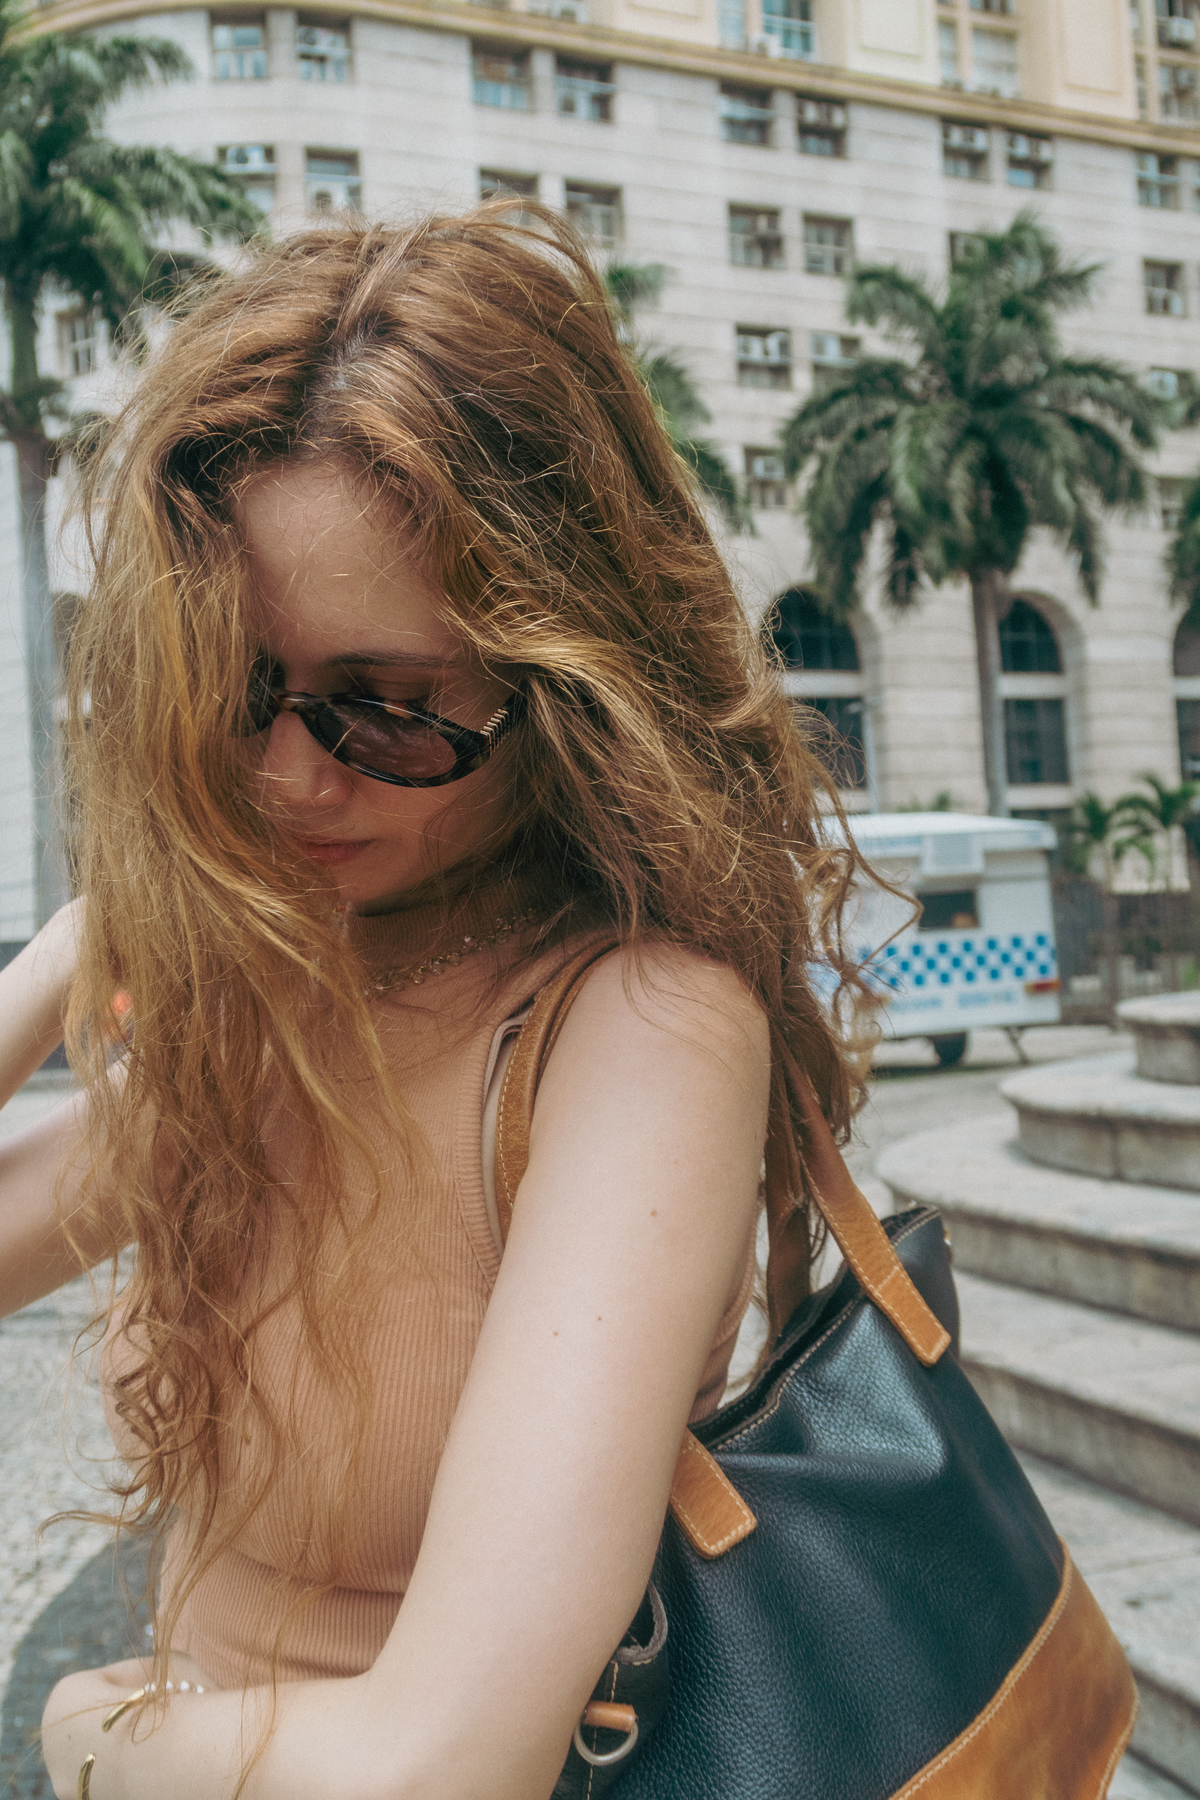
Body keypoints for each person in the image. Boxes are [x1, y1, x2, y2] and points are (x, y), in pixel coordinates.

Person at [0, 204, 867, 1800]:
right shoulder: (283, 992)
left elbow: (441, 1763)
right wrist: (80, 937)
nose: (283, 776)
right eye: (234, 694)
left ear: (571, 684)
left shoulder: (633, 1027)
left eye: (383, 712)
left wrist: (87, 1733)